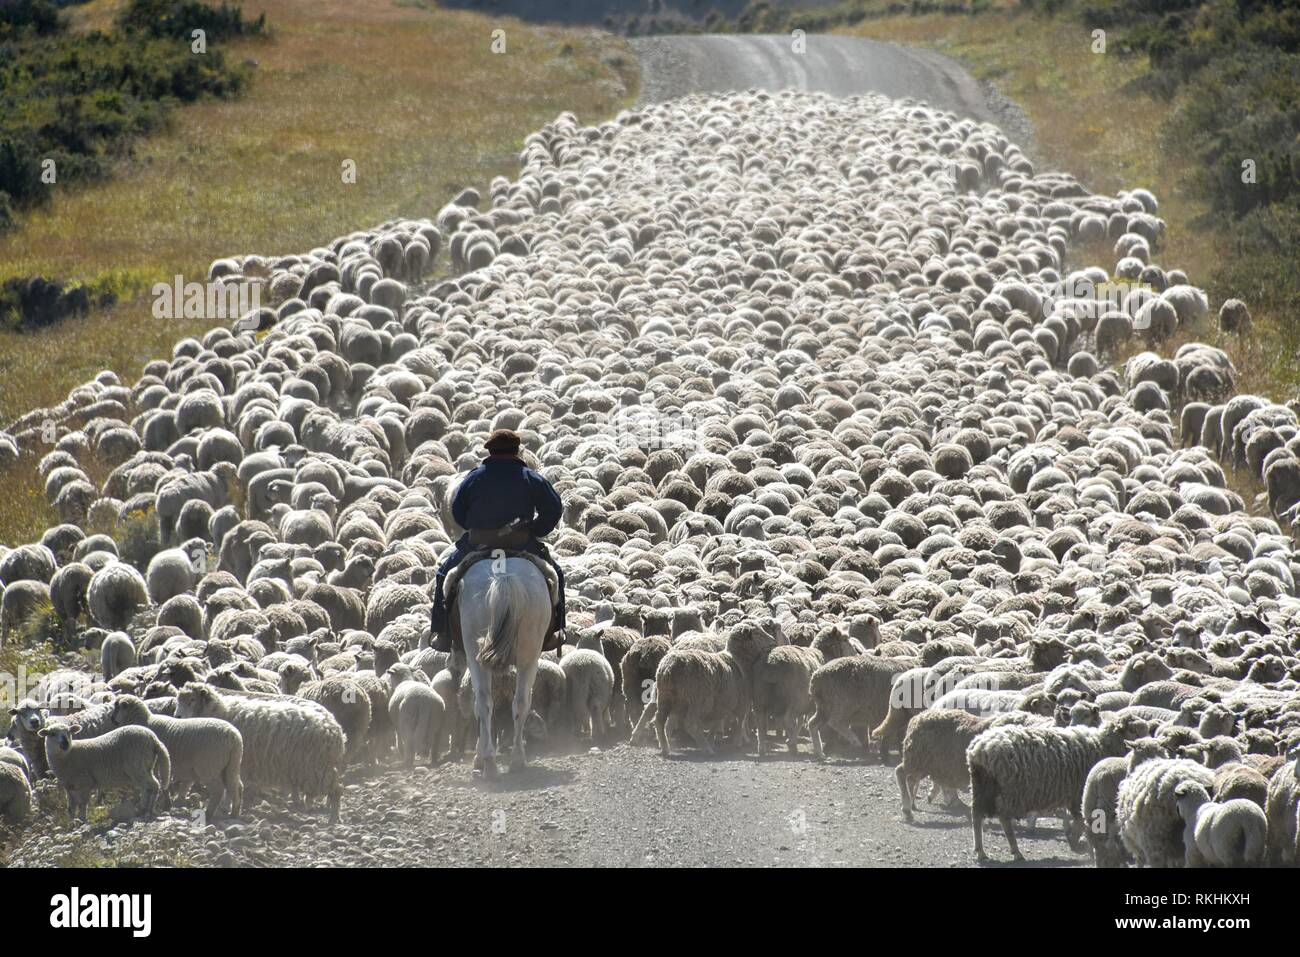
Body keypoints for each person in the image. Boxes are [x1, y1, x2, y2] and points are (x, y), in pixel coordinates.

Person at [428, 428, 565, 653]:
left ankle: (442, 633)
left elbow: (457, 510)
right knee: (556, 574)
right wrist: (535, 530)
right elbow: (553, 508)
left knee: (444, 573)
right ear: (517, 451)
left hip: (479, 542)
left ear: (490, 452)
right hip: (521, 542)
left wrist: (475, 526)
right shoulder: (530, 477)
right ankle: (555, 632)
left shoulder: (474, 477)